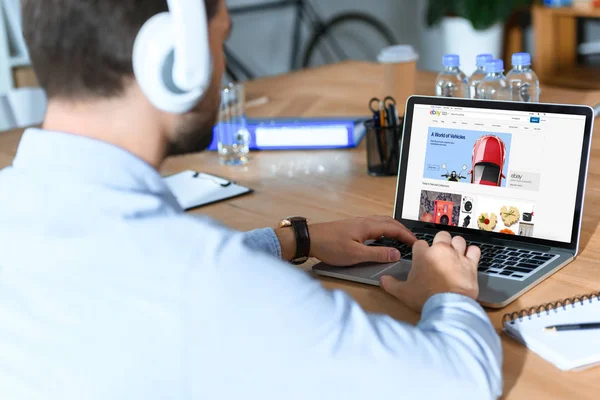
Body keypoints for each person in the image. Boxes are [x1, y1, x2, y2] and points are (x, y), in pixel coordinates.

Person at [0, 0, 502, 399]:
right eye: (220, 41)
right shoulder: (206, 284)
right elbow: (461, 380)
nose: (224, 73)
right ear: (175, 61)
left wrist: (292, 240)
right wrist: (448, 292)